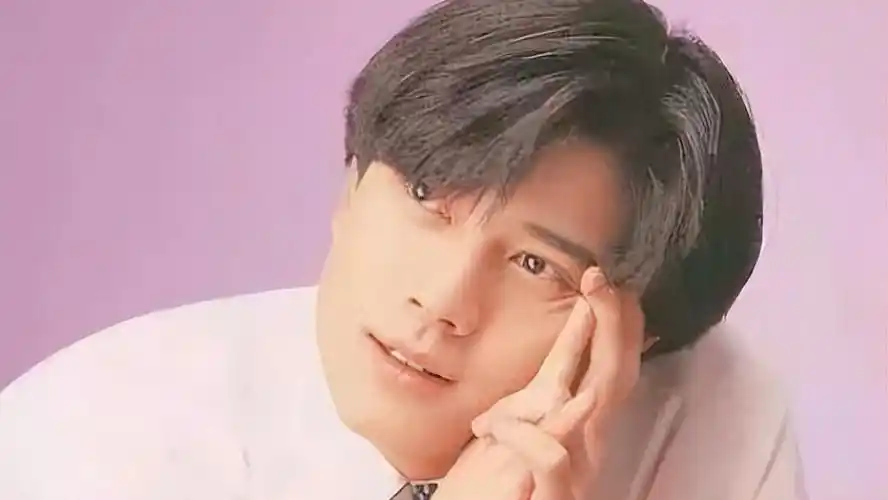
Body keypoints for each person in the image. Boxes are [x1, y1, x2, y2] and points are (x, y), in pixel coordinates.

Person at [0, 0, 807, 499]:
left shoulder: (708, 418)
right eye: (425, 197)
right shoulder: (99, 435)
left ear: (639, 336)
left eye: (536, 266)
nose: (443, 301)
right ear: (350, 184)